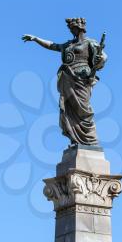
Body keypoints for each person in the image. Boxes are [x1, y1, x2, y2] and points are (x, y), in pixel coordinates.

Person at [22, 18, 107, 146]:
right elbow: (52, 45)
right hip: (68, 79)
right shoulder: (68, 45)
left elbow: (103, 57)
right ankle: (75, 139)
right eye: (70, 28)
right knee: (69, 109)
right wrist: (36, 39)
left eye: (73, 28)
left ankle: (89, 140)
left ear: (80, 29)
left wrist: (101, 59)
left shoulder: (90, 42)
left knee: (83, 109)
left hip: (82, 80)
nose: (71, 30)